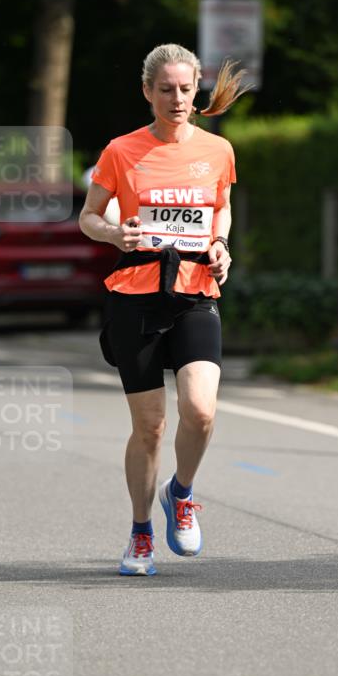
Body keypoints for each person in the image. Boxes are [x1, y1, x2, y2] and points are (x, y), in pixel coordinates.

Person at [79, 43, 251, 577]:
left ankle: (181, 492)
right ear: (147, 92)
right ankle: (140, 534)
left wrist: (221, 245)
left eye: (185, 89)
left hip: (196, 289)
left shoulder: (218, 150)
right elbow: (89, 216)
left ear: (196, 89)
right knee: (150, 428)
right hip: (136, 295)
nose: (177, 99)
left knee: (201, 411)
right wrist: (115, 232)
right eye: (166, 89)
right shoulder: (121, 151)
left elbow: (219, 212)